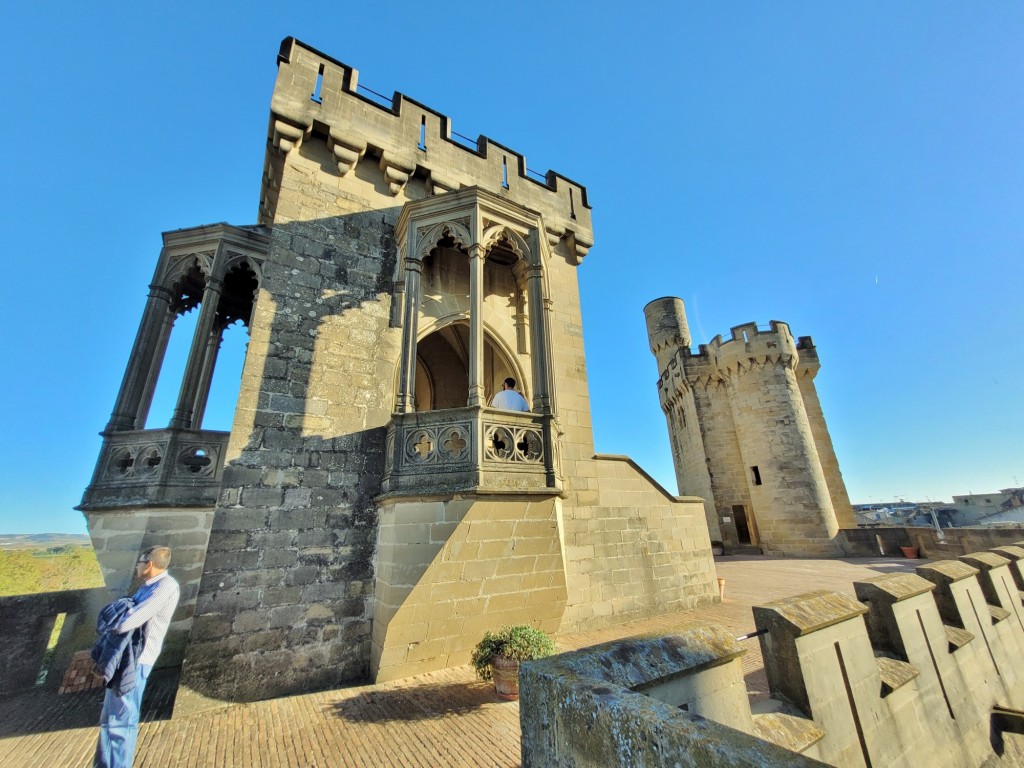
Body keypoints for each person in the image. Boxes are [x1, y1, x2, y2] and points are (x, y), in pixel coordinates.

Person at [94, 546, 180, 768]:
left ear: (149, 564)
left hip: (137, 661)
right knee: (110, 719)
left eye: (140, 562)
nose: (137, 566)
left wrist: (115, 619)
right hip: (126, 658)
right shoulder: (149, 586)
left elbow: (129, 621)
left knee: (121, 721)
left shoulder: (166, 586)